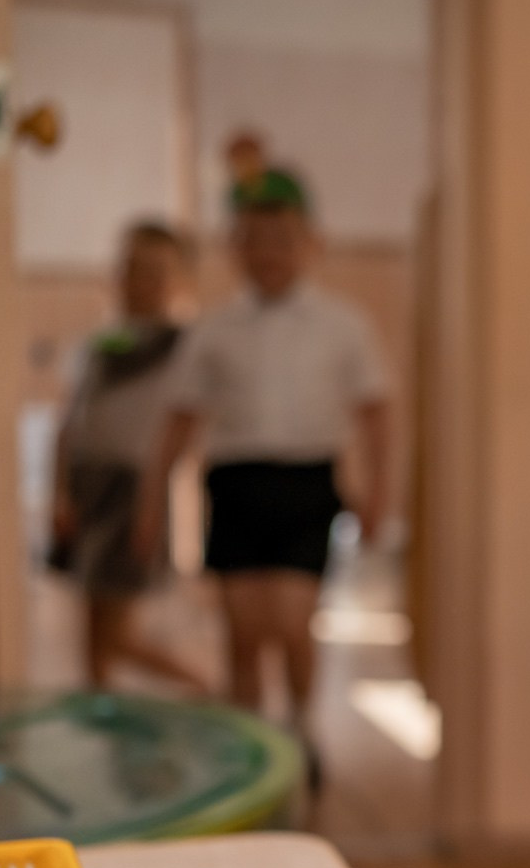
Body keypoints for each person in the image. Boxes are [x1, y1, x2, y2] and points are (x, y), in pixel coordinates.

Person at [134, 167, 389, 779]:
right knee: (244, 628)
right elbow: (179, 421)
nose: (269, 252)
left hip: (308, 485)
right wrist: (151, 504)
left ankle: (301, 727)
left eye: (283, 238)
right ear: (235, 246)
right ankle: (249, 747)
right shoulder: (215, 330)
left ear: (311, 244)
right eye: (254, 238)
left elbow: (378, 412)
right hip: (236, 485)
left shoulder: (342, 326)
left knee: (293, 619)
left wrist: (380, 491)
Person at [50, 221, 209, 694]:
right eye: (132, 269)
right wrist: (60, 492)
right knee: (92, 623)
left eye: (156, 272)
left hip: (132, 488)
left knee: (117, 631)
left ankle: (203, 686)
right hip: (87, 486)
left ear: (180, 281)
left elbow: (184, 432)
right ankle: (100, 713)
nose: (140, 282)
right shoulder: (95, 348)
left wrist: (151, 502)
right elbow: (70, 423)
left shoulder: (186, 349)